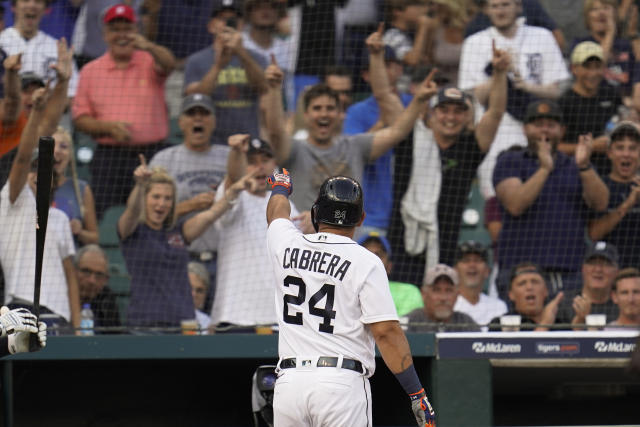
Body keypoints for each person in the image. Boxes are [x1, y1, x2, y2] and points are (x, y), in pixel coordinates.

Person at [265, 172, 435, 426]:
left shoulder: (287, 244)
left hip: (290, 385)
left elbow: (276, 215)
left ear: (316, 212)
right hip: (340, 385)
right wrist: (416, 392)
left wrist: (280, 187)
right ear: (360, 219)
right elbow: (386, 332)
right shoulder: (366, 261)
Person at [263, 42, 440, 227]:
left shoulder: (356, 146)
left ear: (341, 114)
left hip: (348, 244)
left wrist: (419, 100)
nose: (324, 113)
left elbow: (398, 131)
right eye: (317, 108)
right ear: (306, 115)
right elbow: (275, 132)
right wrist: (274, 89)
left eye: (330, 108)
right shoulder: (295, 149)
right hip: (306, 244)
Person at [387, 37, 508, 282]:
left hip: (446, 246)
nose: (451, 117)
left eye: (459, 110)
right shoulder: (410, 139)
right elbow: (383, 96)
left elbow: (495, 112)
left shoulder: (469, 147)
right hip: (402, 242)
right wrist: (378, 57)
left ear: (467, 117)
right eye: (444, 109)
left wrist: (500, 73)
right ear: (431, 114)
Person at [117, 155, 254, 330]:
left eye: (168, 198)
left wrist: (234, 191)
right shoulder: (132, 231)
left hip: (184, 323)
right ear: (145, 199)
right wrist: (140, 185)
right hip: (146, 324)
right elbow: (132, 210)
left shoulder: (178, 232)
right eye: (156, 197)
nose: (161, 204)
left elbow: (211, 214)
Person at [493, 99, 610, 299]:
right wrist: (544, 169)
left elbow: (600, 203)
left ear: (562, 130)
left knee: (567, 328)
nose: (544, 130)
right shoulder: (510, 161)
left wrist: (584, 166)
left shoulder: (575, 165)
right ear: (525, 129)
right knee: (519, 329)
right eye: (538, 125)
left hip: (568, 272)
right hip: (520, 272)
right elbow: (515, 204)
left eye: (551, 125)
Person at [1, 44, 81, 331]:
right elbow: (24, 156)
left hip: (59, 316)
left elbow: (72, 278)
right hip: (19, 306)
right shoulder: (11, 200)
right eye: (32, 171)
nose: (35, 174)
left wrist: (78, 325)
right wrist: (36, 109)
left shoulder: (58, 218)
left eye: (41, 171)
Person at [72, 3, 175, 218]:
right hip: (109, 158)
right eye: (115, 29)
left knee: (153, 215)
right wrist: (108, 127)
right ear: (105, 34)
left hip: (151, 155)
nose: (121, 35)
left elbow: (169, 64)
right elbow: (80, 118)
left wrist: (147, 45)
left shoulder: (149, 60)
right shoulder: (91, 70)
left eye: (127, 29)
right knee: (100, 212)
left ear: (136, 31)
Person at [459, 0, 570, 200]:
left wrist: (526, 86)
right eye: (494, 6)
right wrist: (498, 72)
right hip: (493, 133)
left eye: (505, 4)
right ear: (486, 10)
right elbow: (474, 96)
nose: (500, 10)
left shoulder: (542, 36)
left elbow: (558, 90)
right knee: (496, 198)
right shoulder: (475, 42)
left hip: (537, 130)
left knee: (539, 194)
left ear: (518, 6)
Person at [211, 135, 299, 328]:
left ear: (274, 164)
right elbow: (233, 179)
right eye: (252, 162)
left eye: (265, 160)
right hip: (235, 318)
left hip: (280, 320)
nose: (260, 167)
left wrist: (312, 223)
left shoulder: (286, 202)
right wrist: (235, 152)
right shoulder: (234, 196)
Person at [149, 94, 230, 299]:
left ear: (214, 121)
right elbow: (148, 219)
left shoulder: (230, 157)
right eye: (191, 114)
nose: (198, 119)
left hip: (225, 259)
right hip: (180, 258)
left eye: (204, 114)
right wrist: (190, 205)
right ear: (181, 122)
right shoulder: (164, 159)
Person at [344, 28, 409, 240]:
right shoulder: (356, 112)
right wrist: (386, 122)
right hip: (371, 215)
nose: (386, 71)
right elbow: (353, 153)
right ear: (365, 75)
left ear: (400, 69)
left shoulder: (415, 104)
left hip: (409, 214)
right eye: (379, 65)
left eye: (390, 65)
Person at [183, 0, 268, 142]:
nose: (228, 22)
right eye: (222, 18)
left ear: (242, 25)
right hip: (211, 143)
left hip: (248, 140)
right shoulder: (195, 60)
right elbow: (195, 99)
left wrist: (241, 53)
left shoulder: (257, 58)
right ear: (211, 26)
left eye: (233, 19)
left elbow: (264, 88)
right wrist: (218, 66)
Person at [557, 41, 622, 175]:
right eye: (587, 67)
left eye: (597, 66)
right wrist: (591, 147)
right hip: (575, 173)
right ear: (574, 69)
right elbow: (554, 148)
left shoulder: (611, 94)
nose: (593, 73)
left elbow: (623, 121)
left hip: (611, 172)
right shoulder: (564, 103)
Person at [0, 0, 79, 97]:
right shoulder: (1, 41)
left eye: (38, 1)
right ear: (13, 7)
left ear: (46, 9)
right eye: (25, 0)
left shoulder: (58, 49)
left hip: (47, 110)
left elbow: (71, 95)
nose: (32, 5)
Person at [588, 121, 640, 268]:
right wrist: (628, 204)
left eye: (633, 148)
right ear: (609, 153)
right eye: (620, 148)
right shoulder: (600, 186)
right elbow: (595, 233)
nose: (626, 154)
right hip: (611, 272)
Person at [573, 0, 640, 99]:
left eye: (606, 8)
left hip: (627, 102)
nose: (601, 13)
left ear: (615, 13)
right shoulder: (580, 43)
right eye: (594, 9)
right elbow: (594, 71)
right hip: (594, 102)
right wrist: (610, 32)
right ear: (587, 16)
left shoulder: (626, 45)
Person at [52, 126, 99, 247]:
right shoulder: (28, 187)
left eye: (63, 146)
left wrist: (79, 231)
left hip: (71, 262)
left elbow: (94, 238)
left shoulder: (82, 189)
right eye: (51, 145)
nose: (57, 151)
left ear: (70, 155)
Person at [358, 231, 424, 317]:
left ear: (389, 266)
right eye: (366, 254)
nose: (372, 259)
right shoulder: (343, 288)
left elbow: (403, 328)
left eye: (378, 255)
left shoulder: (409, 292)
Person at [556, 241, 620, 328]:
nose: (598, 269)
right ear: (583, 268)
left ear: (616, 271)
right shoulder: (563, 304)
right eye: (592, 263)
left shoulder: (623, 306)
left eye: (605, 264)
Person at [488, 262, 566, 331]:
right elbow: (526, 347)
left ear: (546, 290)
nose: (529, 287)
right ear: (511, 294)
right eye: (522, 283)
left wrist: (577, 327)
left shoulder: (560, 325)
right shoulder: (500, 324)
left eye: (535, 282)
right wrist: (545, 324)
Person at [405, 263, 481, 333]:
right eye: (436, 290)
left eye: (449, 290)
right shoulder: (407, 323)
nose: (443, 298)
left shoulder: (466, 324)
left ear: (457, 295)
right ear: (423, 294)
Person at [452, 241, 507, 328]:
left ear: (487, 271)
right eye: (466, 260)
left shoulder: (499, 307)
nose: (472, 265)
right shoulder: (449, 305)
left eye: (478, 260)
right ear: (455, 270)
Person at [74, 244, 121, 332]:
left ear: (106, 279)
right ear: (74, 271)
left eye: (99, 275)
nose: (92, 281)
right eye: (86, 271)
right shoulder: (60, 298)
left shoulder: (107, 300)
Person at [187, 261, 211, 332]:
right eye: (189, 288)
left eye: (199, 290)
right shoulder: (167, 319)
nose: (194, 294)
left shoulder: (208, 323)